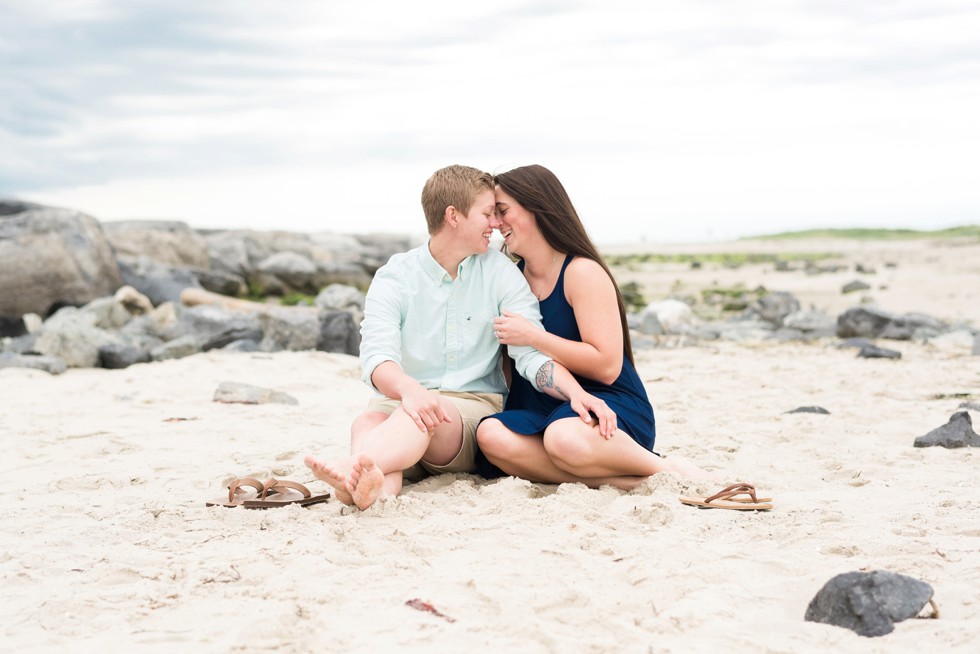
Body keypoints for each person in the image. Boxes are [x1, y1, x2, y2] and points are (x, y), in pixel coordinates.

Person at [305, 164, 617, 509]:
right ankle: (370, 491)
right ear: (453, 216)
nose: (496, 224)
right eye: (487, 213)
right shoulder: (395, 276)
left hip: (466, 413)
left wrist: (574, 392)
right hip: (403, 403)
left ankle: (351, 467)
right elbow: (378, 357)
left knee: (421, 415)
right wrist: (411, 391)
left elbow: (530, 356)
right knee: (368, 423)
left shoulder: (500, 274)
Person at [476, 164, 710, 489]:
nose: (496, 223)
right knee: (491, 435)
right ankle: (632, 482)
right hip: (541, 403)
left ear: (536, 207)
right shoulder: (508, 278)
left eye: (502, 211)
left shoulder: (581, 272)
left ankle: (664, 467)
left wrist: (534, 337)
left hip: (607, 401)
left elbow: (607, 366)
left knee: (563, 439)